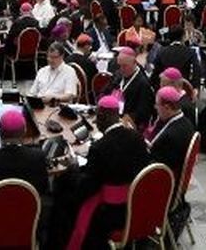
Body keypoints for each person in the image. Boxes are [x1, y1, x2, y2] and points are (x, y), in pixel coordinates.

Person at [61, 94, 150, 250]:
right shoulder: (137, 137)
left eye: (98, 117)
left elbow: (87, 188)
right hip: (135, 204)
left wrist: (73, 167)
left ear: (102, 116)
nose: (96, 122)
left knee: (64, 194)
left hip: (109, 212)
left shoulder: (99, 148)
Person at [0, 107, 49, 217]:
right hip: (27, 219)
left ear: (0, 132)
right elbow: (43, 189)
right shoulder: (37, 157)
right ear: (24, 131)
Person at [146, 86, 195, 184]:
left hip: (162, 179)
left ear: (167, 107)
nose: (155, 107)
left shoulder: (171, 135)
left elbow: (155, 164)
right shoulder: (186, 122)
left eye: (157, 104)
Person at [107, 47, 154, 129]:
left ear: (134, 63)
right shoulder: (118, 75)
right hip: (112, 117)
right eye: (119, 65)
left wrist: (125, 119)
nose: (121, 69)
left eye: (125, 66)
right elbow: (105, 92)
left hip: (130, 124)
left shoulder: (143, 83)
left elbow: (143, 112)